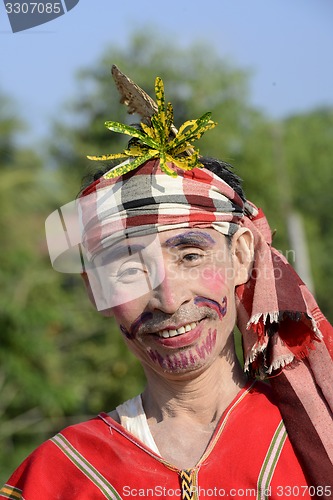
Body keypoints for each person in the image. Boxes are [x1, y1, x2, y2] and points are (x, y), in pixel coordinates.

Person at [1, 70, 332, 500]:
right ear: (94, 289)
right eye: (128, 270)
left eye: (190, 256)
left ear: (240, 257)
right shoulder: (58, 476)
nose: (170, 299)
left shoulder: (314, 437)